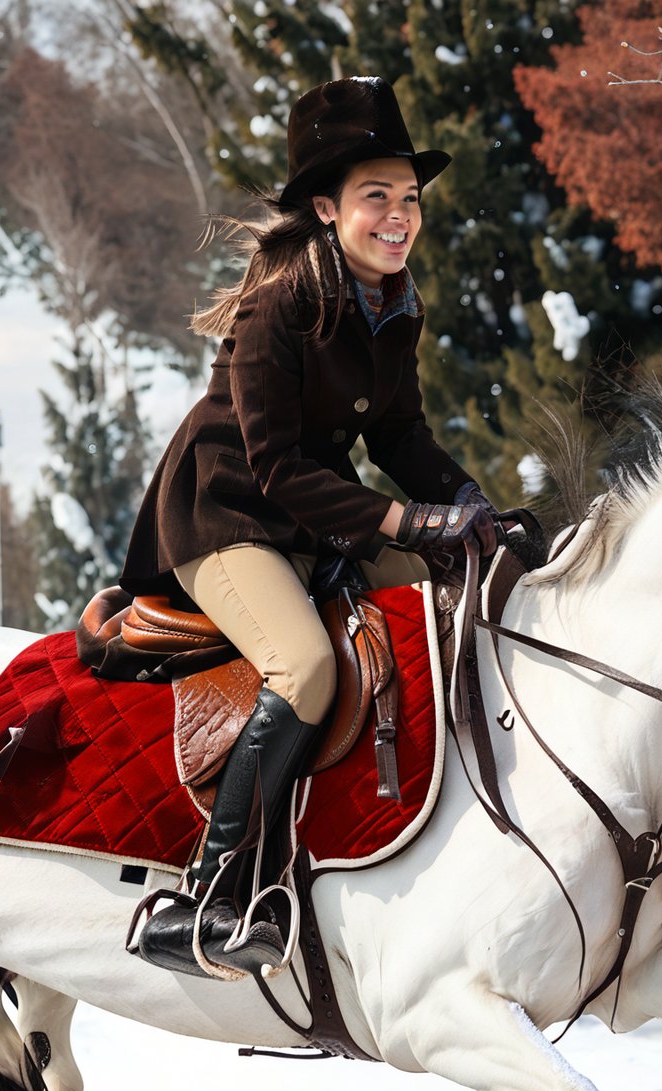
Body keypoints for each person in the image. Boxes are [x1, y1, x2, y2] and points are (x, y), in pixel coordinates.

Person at [120, 76, 499, 980]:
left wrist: (479, 508)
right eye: (378, 197)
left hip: (308, 521)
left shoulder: (394, 301)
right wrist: (405, 517)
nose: (400, 216)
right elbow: (278, 467)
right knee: (309, 664)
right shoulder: (277, 305)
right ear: (328, 208)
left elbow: (400, 435)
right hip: (226, 515)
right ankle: (207, 899)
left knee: (434, 620)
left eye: (409, 198)